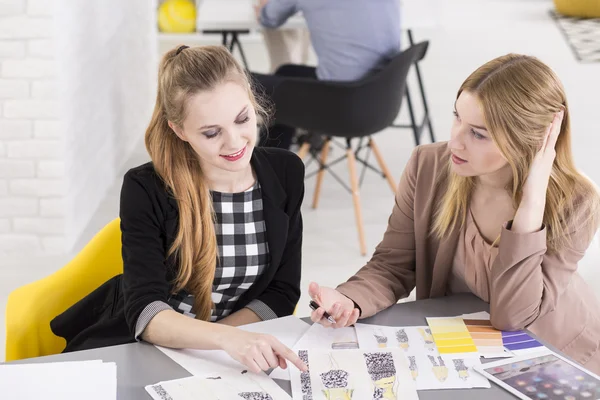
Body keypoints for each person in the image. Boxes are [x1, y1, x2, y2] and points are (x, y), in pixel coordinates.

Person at [308, 54, 600, 373]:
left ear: (528, 140)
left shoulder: (577, 201)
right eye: (457, 117)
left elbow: (514, 317)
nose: (455, 143)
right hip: (465, 345)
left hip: (554, 350)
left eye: (478, 133)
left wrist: (530, 208)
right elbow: (393, 264)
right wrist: (348, 298)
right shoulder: (428, 165)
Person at [50, 45, 307, 374]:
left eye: (243, 119)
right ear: (179, 130)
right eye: (211, 133)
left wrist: (226, 344)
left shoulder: (286, 173)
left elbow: (282, 291)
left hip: (231, 354)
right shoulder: (146, 188)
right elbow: (146, 311)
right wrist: (225, 341)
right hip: (147, 349)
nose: (235, 142)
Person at [252, 0, 401, 150]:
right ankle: (277, 162)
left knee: (256, 86)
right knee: (287, 73)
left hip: (344, 105)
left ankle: (266, 169)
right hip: (384, 99)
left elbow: (268, 18)